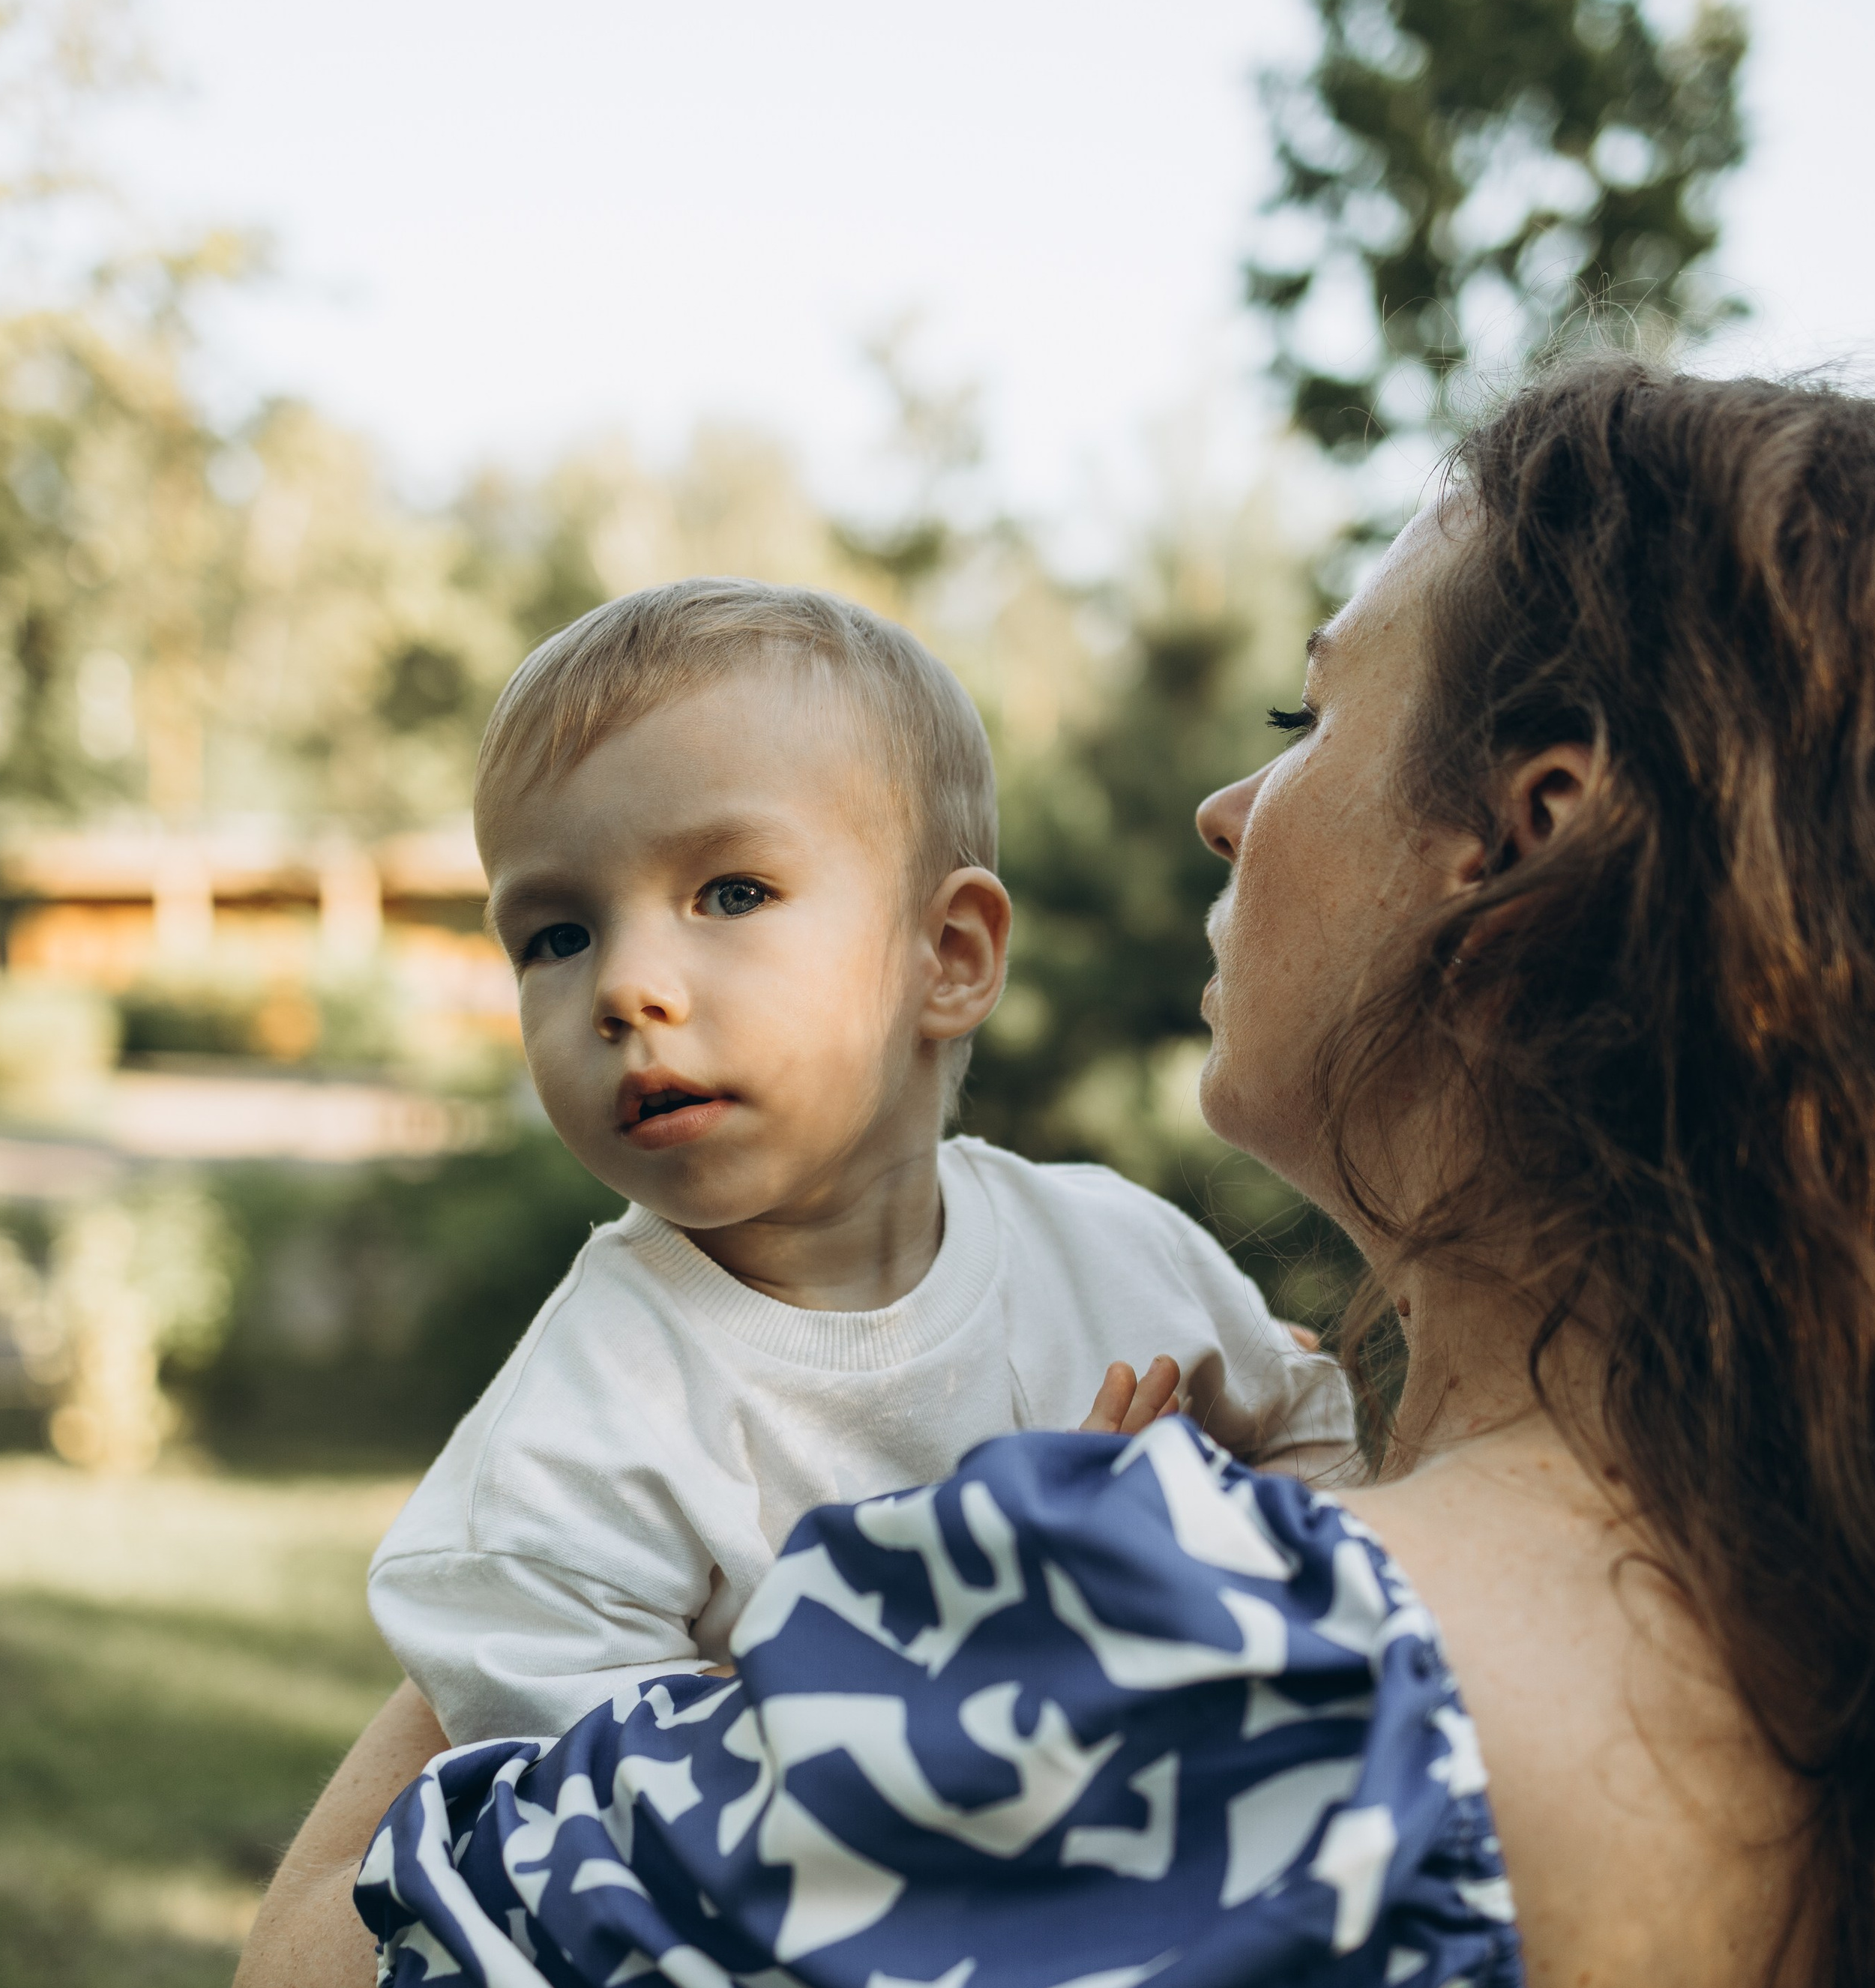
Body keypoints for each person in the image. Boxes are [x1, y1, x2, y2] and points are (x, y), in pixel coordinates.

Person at [227, 364, 1875, 1988]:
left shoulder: (1188, 1667)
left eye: (1310, 722)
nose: (1224, 805)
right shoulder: (1805, 1627)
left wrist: (624, 1454)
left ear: (1526, 834)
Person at [369, 576, 1352, 1753]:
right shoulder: (570, 1459)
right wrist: (992, 1611)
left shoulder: (1118, 1260)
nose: (627, 987)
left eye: (730, 893)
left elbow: (1328, 1470)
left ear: (945, 956)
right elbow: (626, 1851)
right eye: (557, 935)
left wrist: (1202, 1530)